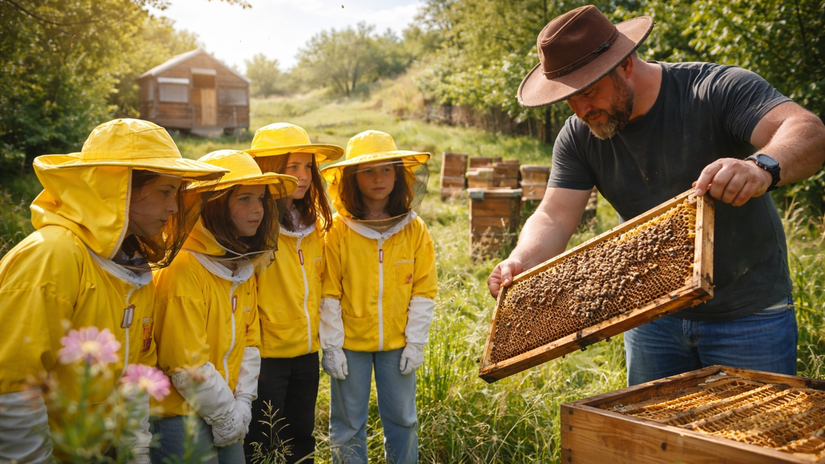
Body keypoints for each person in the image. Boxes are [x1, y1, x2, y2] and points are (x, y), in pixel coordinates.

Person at [488, 5, 825, 386]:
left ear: (626, 64)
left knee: (751, 441)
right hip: (651, 316)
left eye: (589, 91)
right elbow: (554, 215)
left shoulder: (715, 89)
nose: (581, 110)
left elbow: (808, 130)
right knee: (655, 441)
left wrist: (761, 166)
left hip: (749, 316)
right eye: (569, 98)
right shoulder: (578, 135)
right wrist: (519, 261)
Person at [0, 119, 227, 463]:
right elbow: (12, 389)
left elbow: (136, 375)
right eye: (166, 191)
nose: (175, 208)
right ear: (120, 188)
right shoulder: (52, 256)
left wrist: (135, 449)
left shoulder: (133, 265)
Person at [150, 150, 297, 463]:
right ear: (213, 204)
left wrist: (243, 401)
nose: (257, 210)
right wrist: (229, 414)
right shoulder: (183, 269)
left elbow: (250, 342)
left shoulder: (240, 266)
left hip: (228, 408)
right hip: (181, 418)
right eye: (244, 199)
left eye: (260, 199)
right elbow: (186, 365)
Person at [319, 130, 438, 463]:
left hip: (398, 344)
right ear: (352, 179)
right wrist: (331, 345)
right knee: (347, 424)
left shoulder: (415, 229)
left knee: (403, 420)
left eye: (386, 169)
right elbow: (329, 292)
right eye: (368, 171)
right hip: (349, 345)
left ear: (399, 175)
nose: (378, 178)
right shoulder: (338, 231)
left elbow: (424, 291)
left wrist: (415, 342)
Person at [242, 123, 344, 462]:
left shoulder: (315, 222)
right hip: (266, 355)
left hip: (306, 351)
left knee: (301, 433)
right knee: (265, 437)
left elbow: (323, 283)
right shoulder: (255, 226)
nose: (302, 175)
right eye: (292, 167)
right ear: (270, 169)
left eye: (307, 166)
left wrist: (328, 342)